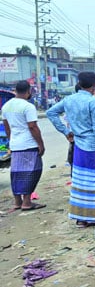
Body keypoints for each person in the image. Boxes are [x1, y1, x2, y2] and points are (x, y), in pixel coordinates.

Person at [47, 71, 95, 227]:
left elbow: (51, 112)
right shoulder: (94, 103)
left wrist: (66, 131)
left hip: (78, 145)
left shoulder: (69, 99)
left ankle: (81, 218)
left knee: (80, 181)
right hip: (94, 146)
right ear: (94, 85)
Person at [1, 80, 46, 211]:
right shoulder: (28, 107)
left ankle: (17, 201)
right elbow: (33, 126)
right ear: (28, 91)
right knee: (32, 172)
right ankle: (27, 202)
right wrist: (41, 144)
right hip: (28, 144)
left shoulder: (6, 106)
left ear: (15, 90)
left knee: (16, 173)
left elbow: (7, 128)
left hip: (16, 145)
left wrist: (12, 142)